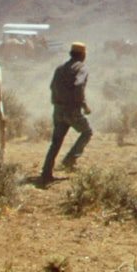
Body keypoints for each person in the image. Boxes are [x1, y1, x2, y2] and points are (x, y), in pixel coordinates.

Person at [40, 42, 93, 185]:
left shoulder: (60, 68)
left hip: (58, 109)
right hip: (72, 110)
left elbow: (52, 86)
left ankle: (46, 172)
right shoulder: (81, 69)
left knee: (55, 143)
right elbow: (78, 86)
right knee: (87, 132)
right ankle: (70, 159)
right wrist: (83, 105)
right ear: (83, 55)